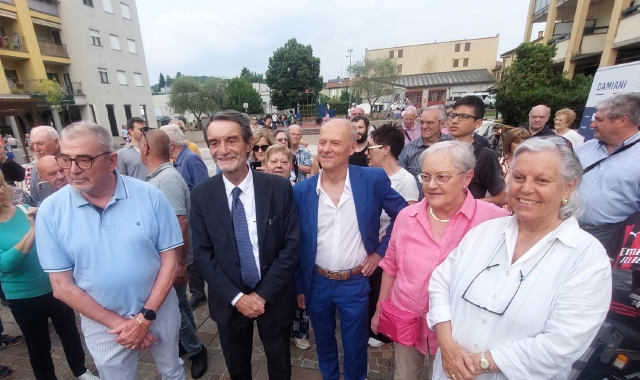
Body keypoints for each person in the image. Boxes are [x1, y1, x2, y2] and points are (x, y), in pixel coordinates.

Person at [428, 137, 612, 380]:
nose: (526, 188)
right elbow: (441, 282)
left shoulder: (586, 257)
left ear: (569, 186)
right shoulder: (485, 232)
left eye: (542, 180)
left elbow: (563, 343)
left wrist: (481, 363)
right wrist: (448, 346)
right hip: (450, 372)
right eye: (518, 178)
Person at [36, 121, 186, 380]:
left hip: (159, 310)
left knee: (172, 370)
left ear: (112, 160)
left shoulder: (150, 196)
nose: (73, 170)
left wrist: (145, 317)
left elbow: (170, 261)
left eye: (84, 159)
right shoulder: (50, 211)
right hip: (101, 323)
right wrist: (122, 325)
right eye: (65, 159)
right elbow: (61, 286)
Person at [371, 141, 508, 380]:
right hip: (407, 316)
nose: (431, 185)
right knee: (404, 375)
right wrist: (380, 309)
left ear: (467, 178)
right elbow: (392, 267)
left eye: (442, 177)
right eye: (426, 176)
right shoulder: (406, 217)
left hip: (459, 330)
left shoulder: (496, 222)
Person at [293, 119, 407, 380]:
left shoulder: (372, 179)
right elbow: (296, 243)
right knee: (323, 340)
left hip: (354, 282)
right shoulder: (302, 191)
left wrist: (380, 252)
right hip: (317, 281)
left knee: (356, 344)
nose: (326, 149)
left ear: (352, 147)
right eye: (322, 142)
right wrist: (299, 285)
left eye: (335, 143)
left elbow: (404, 215)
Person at [190, 110, 300, 380]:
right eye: (214, 143)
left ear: (249, 144)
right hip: (229, 300)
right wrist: (238, 298)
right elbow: (202, 254)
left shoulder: (278, 188)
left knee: (280, 367)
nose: (223, 150)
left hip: (273, 297)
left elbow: (291, 245)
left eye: (231, 140)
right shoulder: (202, 194)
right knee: (238, 369)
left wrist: (261, 296)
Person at [0, 172, 99, 380]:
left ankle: (80, 371)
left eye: (0, 185)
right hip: (23, 296)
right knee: (39, 346)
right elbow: (5, 265)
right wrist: (34, 230)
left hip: (55, 287)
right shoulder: (29, 220)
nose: (0, 192)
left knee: (70, 334)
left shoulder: (23, 210)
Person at [140, 130, 208, 378]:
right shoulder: (160, 176)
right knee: (180, 304)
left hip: (171, 261)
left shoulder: (166, 179)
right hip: (168, 259)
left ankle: (196, 349)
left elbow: (180, 223)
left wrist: (179, 264)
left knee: (174, 307)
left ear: (146, 147)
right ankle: (190, 342)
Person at [365, 123, 419, 348]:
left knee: (382, 287)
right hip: (369, 241)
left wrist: (383, 238)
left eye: (371, 148)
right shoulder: (369, 175)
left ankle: (381, 331)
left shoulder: (405, 180)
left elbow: (406, 218)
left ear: (385, 149)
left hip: (389, 245)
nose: (367, 153)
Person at [577, 93, 640, 257]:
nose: (592, 125)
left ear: (621, 121)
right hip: (570, 228)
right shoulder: (585, 148)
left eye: (599, 120)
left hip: (613, 238)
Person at [263, 145, 310, 349]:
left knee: (300, 294)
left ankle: (300, 331)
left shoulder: (298, 190)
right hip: (271, 254)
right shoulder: (259, 190)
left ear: (291, 166)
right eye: (274, 162)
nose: (279, 166)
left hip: (296, 249)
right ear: (265, 165)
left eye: (283, 162)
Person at [448, 96, 507, 206]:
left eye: (463, 117)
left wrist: (469, 204)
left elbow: (503, 197)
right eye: (453, 115)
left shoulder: (485, 155)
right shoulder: (440, 149)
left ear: (478, 123)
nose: (455, 121)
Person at [398, 106, 451, 200]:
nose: (424, 126)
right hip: (418, 207)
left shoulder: (452, 146)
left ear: (442, 124)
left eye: (429, 123)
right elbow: (400, 179)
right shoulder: (409, 149)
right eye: (422, 122)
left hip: (448, 206)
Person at [160, 124, 209, 190]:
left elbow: (204, 189)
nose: (159, 147)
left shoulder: (191, 159)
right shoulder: (178, 160)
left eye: (160, 143)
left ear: (171, 145)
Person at [26, 126, 60, 205]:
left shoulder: (73, 160)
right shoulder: (36, 169)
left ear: (56, 142)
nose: (36, 149)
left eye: (40, 144)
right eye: (33, 144)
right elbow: (36, 200)